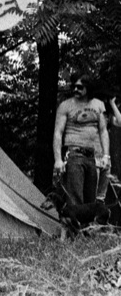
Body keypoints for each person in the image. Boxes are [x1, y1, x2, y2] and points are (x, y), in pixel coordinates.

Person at [52, 75, 109, 208]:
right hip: (74, 154)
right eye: (74, 86)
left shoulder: (99, 104)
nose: (76, 89)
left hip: (94, 156)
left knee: (91, 200)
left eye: (80, 87)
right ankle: (72, 228)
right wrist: (58, 159)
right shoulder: (65, 106)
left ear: (88, 88)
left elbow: (103, 131)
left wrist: (106, 155)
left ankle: (87, 228)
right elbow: (58, 133)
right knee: (75, 198)